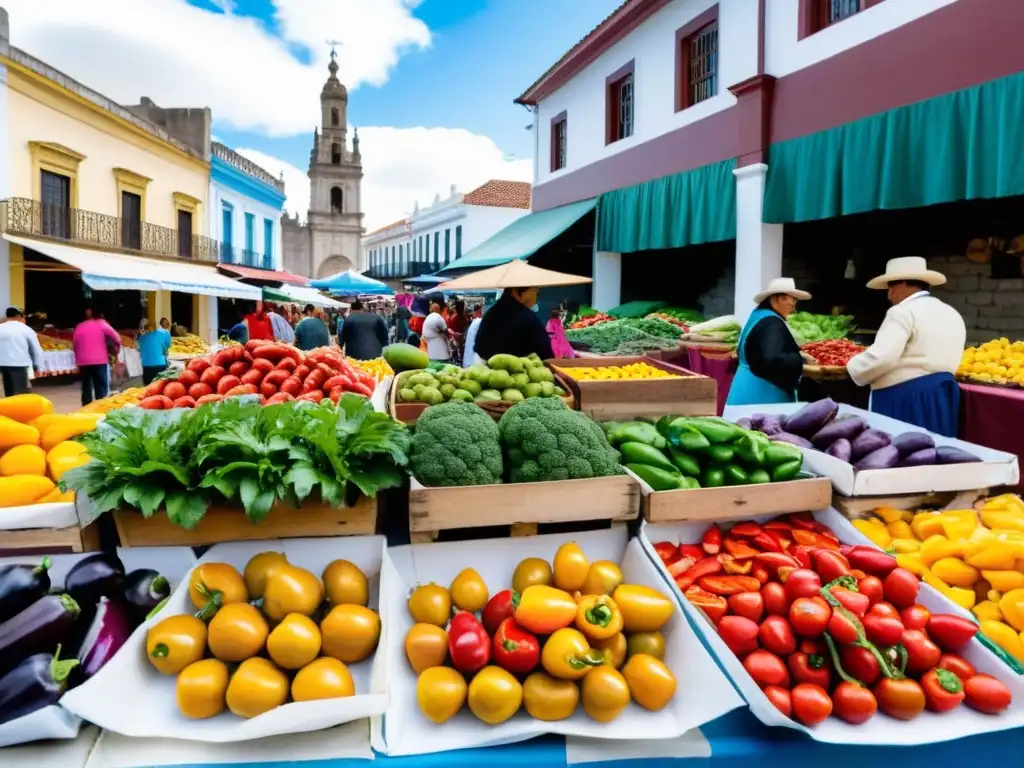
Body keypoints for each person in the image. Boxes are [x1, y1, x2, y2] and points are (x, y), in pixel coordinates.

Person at [846, 257, 966, 437]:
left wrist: (852, 365)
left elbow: (882, 358)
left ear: (901, 284)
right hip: (942, 396)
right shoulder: (951, 312)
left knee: (902, 454)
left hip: (906, 397)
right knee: (934, 454)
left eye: (890, 287)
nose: (889, 295)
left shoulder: (902, 311)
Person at [726, 278, 810, 406]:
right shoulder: (772, 323)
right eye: (787, 300)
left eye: (794, 301)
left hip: (744, 387)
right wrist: (796, 358)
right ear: (775, 299)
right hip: (761, 395)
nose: (792, 305)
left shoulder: (759, 314)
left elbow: (759, 349)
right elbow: (772, 359)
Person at [474, 286, 554, 361]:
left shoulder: (490, 314)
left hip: (489, 371)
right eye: (536, 291)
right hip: (523, 373)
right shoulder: (528, 318)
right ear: (518, 290)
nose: (536, 296)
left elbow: (479, 348)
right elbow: (547, 356)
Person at [73, 306, 121, 405]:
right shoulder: (102, 324)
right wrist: (116, 351)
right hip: (99, 361)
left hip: (83, 361)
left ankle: (86, 409)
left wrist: (78, 358)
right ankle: (100, 408)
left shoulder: (80, 326)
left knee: (86, 387)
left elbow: (74, 344)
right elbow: (117, 339)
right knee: (101, 386)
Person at [0, 306, 43, 397]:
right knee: (19, 394)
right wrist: (39, 367)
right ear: (18, 316)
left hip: (1, 365)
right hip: (19, 366)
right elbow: (36, 350)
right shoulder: (25, 329)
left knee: (6, 393)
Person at [137, 319, 171, 385]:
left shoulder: (141, 338)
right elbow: (167, 346)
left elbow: (139, 349)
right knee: (160, 387)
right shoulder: (165, 334)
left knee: (148, 388)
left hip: (146, 367)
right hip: (161, 365)